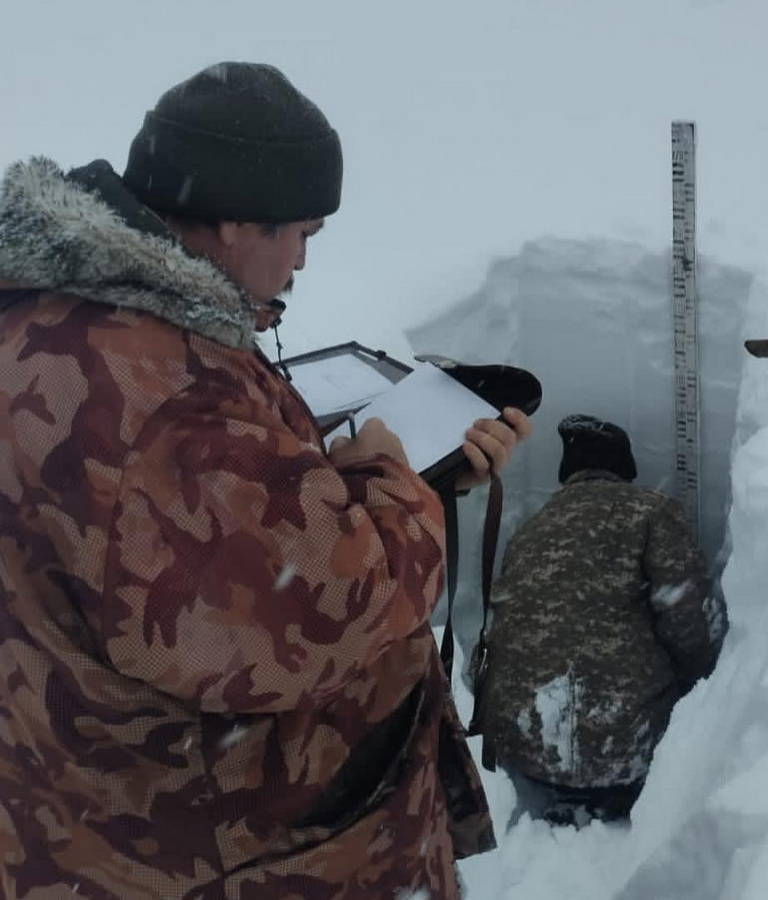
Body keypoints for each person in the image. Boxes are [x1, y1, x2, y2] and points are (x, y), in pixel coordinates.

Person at [0, 62, 530, 899]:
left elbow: (147, 530)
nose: (305, 263)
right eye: (304, 233)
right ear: (238, 222)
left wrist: (304, 474)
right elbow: (330, 610)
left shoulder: (51, 317)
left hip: (78, 810)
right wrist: (397, 482)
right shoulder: (171, 399)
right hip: (223, 848)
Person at [472, 415, 726, 826]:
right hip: (625, 747)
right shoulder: (650, 512)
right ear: (624, 469)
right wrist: (704, 687)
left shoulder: (531, 529)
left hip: (524, 745)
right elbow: (686, 613)